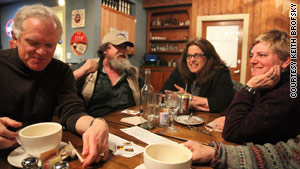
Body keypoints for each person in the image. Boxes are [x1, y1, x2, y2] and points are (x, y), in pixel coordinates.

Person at [0, 4, 109, 168]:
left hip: (42, 157)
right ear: (15, 37)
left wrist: (97, 124)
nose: (42, 52)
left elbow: (71, 111)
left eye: (50, 45)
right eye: (33, 42)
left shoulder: (60, 71)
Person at [215, 30, 300, 144]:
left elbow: (232, 132)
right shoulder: (269, 82)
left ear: (285, 61)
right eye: (252, 55)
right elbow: (235, 113)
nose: (252, 61)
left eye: (262, 55)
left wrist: (249, 87)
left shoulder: (288, 93)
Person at [72, 30, 144, 117]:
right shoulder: (88, 67)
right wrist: (82, 71)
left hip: (128, 125)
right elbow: (61, 85)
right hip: (95, 125)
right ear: (105, 49)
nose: (123, 51)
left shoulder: (133, 72)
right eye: (118, 46)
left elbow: (146, 96)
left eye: (124, 47)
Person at [161, 38, 234, 113]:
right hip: (182, 119)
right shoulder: (180, 69)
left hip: (210, 120)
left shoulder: (220, 72)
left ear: (208, 57)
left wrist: (189, 98)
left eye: (197, 55)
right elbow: (164, 96)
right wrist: (190, 103)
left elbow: (222, 103)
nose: (192, 60)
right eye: (189, 56)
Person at [183, 134, 300, 169]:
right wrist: (215, 153)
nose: (253, 73)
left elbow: (235, 128)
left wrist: (249, 89)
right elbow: (286, 155)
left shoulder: (291, 90)